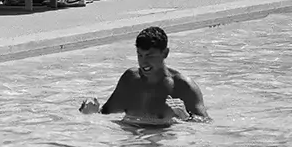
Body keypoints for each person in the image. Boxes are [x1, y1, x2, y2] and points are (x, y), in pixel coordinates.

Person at [80, 25, 209, 123]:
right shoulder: (130, 80)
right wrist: (91, 112)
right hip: (129, 146)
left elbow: (206, 125)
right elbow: (105, 113)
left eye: (150, 56)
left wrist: (185, 117)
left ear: (165, 53)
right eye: (140, 55)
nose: (143, 62)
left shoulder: (182, 86)